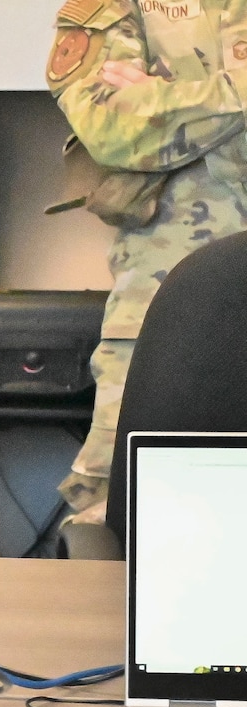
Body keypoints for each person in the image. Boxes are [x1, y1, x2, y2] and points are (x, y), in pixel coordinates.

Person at [48, 0, 247, 523]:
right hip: (167, 317)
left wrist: (173, 100)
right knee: (124, 523)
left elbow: (149, 118)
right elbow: (111, 128)